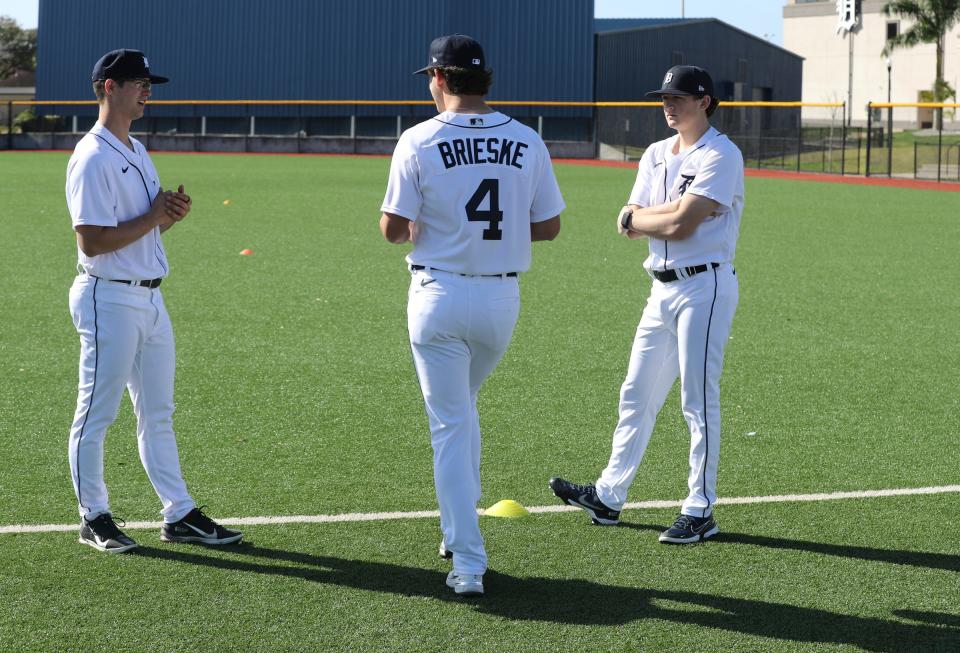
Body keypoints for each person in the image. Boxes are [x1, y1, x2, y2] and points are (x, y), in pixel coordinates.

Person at [380, 34, 564, 595]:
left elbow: (391, 229)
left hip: (437, 295)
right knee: (462, 417)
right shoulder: (527, 139)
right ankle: (456, 531)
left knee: (453, 427)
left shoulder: (418, 139)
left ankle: (466, 561)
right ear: (486, 81)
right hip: (499, 304)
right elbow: (550, 225)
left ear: (438, 78)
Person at [550, 65, 743, 544]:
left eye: (678, 97)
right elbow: (627, 223)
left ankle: (700, 508)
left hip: (705, 286)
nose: (668, 105)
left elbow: (679, 225)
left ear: (704, 101)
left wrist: (645, 216)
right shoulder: (656, 153)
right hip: (660, 288)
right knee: (636, 392)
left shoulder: (722, 153)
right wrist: (650, 216)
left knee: (696, 400)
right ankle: (610, 495)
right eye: (664, 97)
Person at [66, 49, 242, 553]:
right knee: (96, 414)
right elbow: (93, 241)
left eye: (148, 83)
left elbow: (140, 227)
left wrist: (167, 216)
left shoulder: (136, 149)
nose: (147, 90)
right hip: (108, 298)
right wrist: (153, 217)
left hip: (148, 299)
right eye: (137, 83)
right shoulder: (93, 155)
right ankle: (93, 516)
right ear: (107, 87)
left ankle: (179, 512)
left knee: (157, 412)